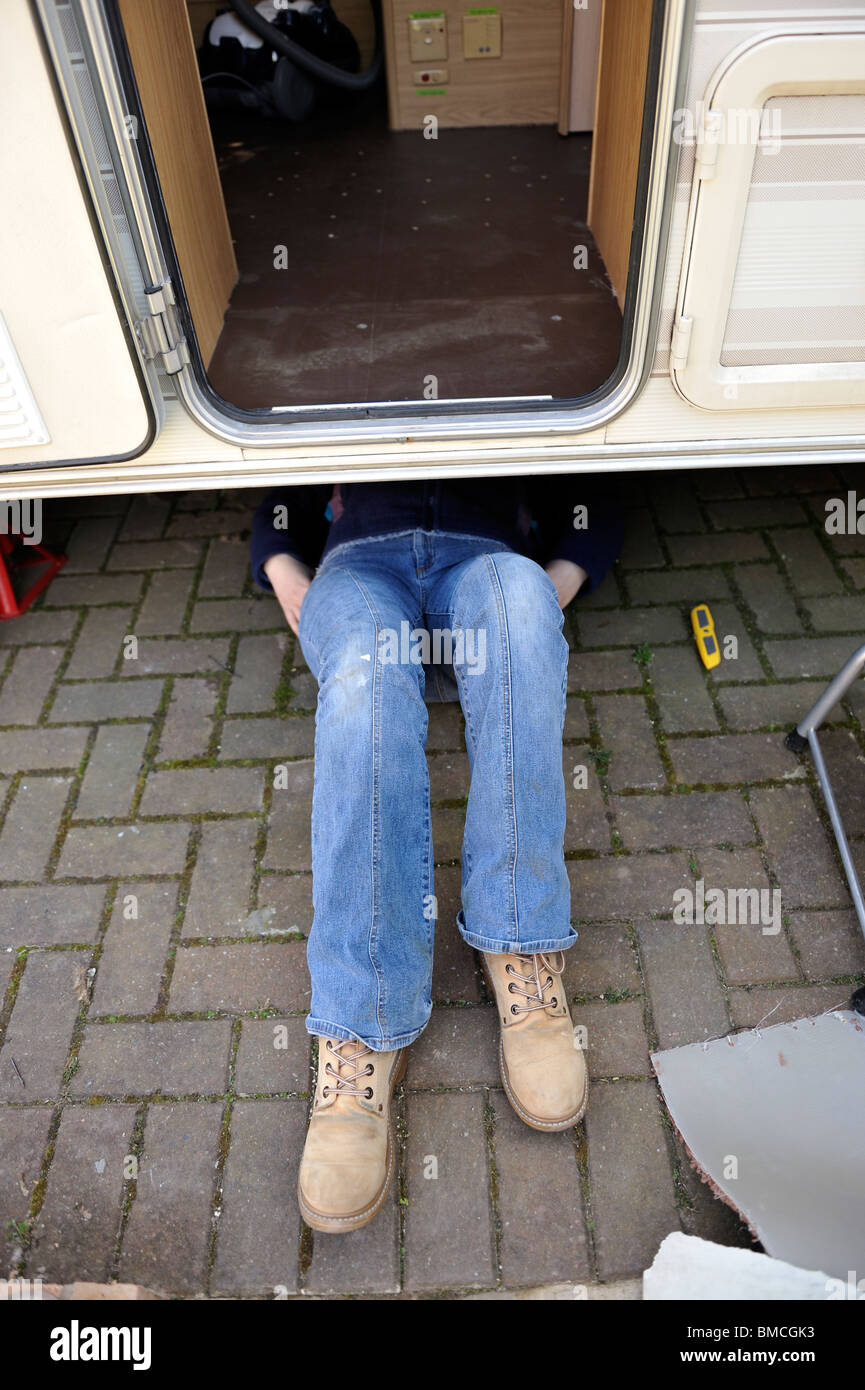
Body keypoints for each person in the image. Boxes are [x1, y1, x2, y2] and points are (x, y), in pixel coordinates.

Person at [250, 476, 623, 1232]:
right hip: (359, 566)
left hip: (486, 558)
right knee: (363, 689)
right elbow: (272, 479)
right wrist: (283, 566)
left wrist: (560, 579)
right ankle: (360, 1019)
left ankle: (520, 945)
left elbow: (596, 484)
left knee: (520, 607)